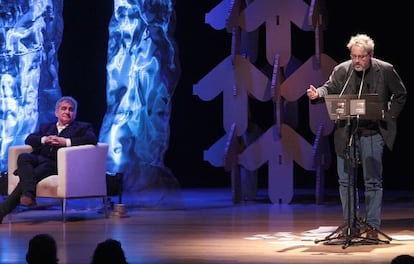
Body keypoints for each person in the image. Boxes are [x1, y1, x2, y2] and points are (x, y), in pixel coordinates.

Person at [306, 34, 407, 239]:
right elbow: (330, 87)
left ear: (370, 55)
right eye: (354, 56)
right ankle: (350, 224)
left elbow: (400, 94)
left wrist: (387, 114)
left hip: (373, 132)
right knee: (346, 181)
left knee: (372, 181)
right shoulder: (342, 70)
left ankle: (371, 226)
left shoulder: (385, 70)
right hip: (346, 132)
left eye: (361, 56)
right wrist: (319, 94)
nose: (357, 61)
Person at [0, 96, 98, 224]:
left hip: (57, 164)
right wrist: (44, 139)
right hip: (40, 158)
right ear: (57, 112)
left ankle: (7, 208)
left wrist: (66, 142)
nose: (67, 112)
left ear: (74, 114)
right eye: (64, 109)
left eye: (70, 109)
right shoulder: (46, 127)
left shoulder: (83, 127)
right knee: (23, 157)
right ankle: (28, 194)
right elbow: (29, 139)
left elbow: (91, 140)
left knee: (35, 172)